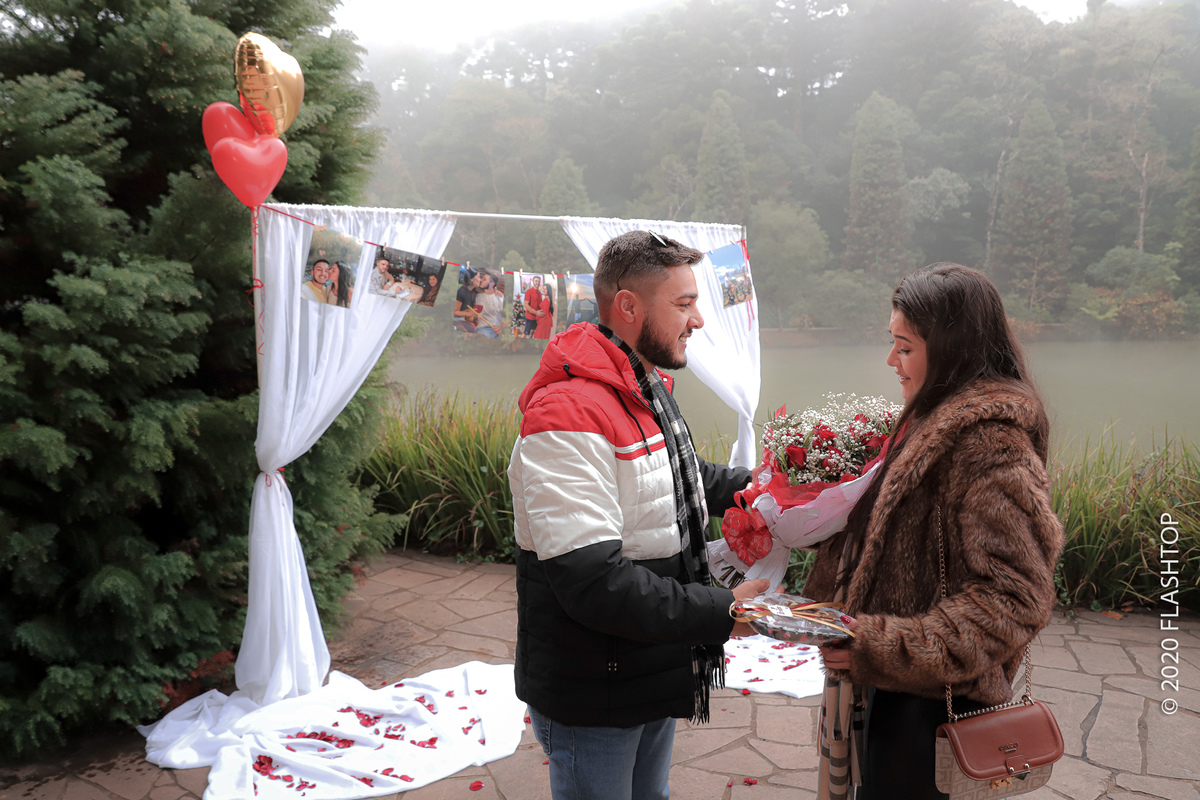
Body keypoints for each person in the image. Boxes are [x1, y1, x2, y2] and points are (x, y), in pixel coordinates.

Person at [509, 230, 770, 800]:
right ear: (628, 306)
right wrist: (723, 609)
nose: (698, 320)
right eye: (683, 304)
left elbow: (677, 480)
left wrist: (772, 494)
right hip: (595, 683)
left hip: (646, 663)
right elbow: (592, 582)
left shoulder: (635, 384)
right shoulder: (570, 412)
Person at [808, 262, 1066, 800]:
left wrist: (878, 647)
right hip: (893, 693)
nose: (890, 360)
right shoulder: (930, 418)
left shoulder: (991, 445)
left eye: (904, 347)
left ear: (950, 349)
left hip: (935, 709)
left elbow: (1015, 598)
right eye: (891, 343)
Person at [475, 272, 504, 337]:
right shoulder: (478, 296)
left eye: (484, 279)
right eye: (482, 278)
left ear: (492, 284)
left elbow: (505, 315)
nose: (481, 280)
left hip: (498, 328)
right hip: (483, 327)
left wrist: (501, 327)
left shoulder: (500, 297)